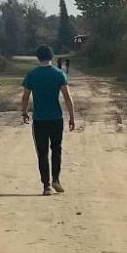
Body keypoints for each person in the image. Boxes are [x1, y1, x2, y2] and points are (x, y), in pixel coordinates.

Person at [20, 45, 77, 195]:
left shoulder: (32, 75)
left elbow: (25, 97)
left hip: (39, 119)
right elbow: (67, 97)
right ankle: (56, 179)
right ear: (51, 57)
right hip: (56, 118)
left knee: (42, 152)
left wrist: (24, 112)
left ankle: (46, 186)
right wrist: (72, 117)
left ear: (38, 57)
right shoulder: (59, 74)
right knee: (56, 149)